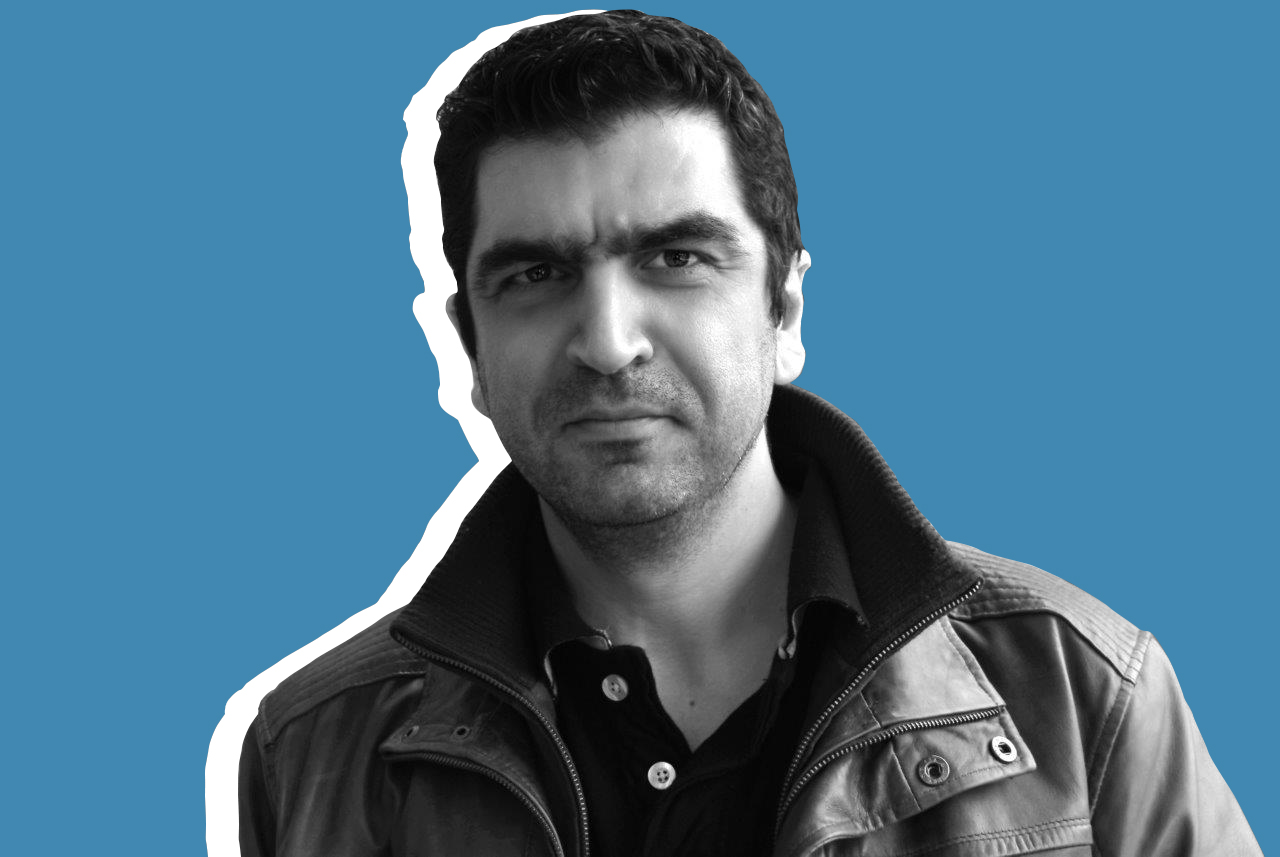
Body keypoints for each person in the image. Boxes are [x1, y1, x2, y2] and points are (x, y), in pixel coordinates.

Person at [237, 10, 1259, 856]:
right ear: (469, 343)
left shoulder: (1081, 697)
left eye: (675, 258)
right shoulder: (314, 754)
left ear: (785, 311)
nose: (607, 341)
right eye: (536, 274)